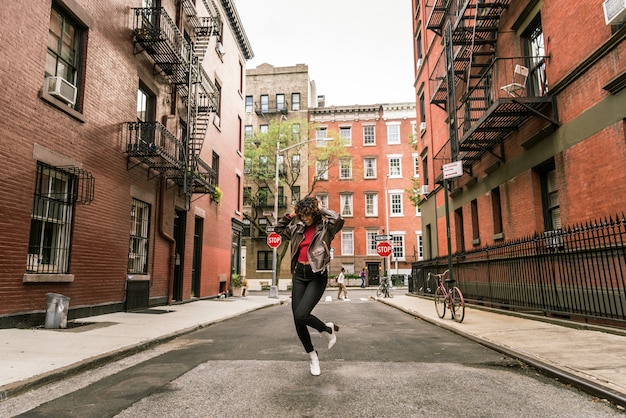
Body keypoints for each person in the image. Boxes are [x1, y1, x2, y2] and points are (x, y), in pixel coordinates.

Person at [275, 197, 344, 376]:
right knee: (297, 319)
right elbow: (278, 229)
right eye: (302, 216)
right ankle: (312, 354)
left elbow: (338, 219)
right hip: (299, 275)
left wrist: (321, 209)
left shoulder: (326, 229)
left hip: (316, 276)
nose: (304, 219)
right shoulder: (297, 229)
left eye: (307, 215)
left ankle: (328, 330)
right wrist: (292, 214)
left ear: (314, 214)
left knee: (302, 314)